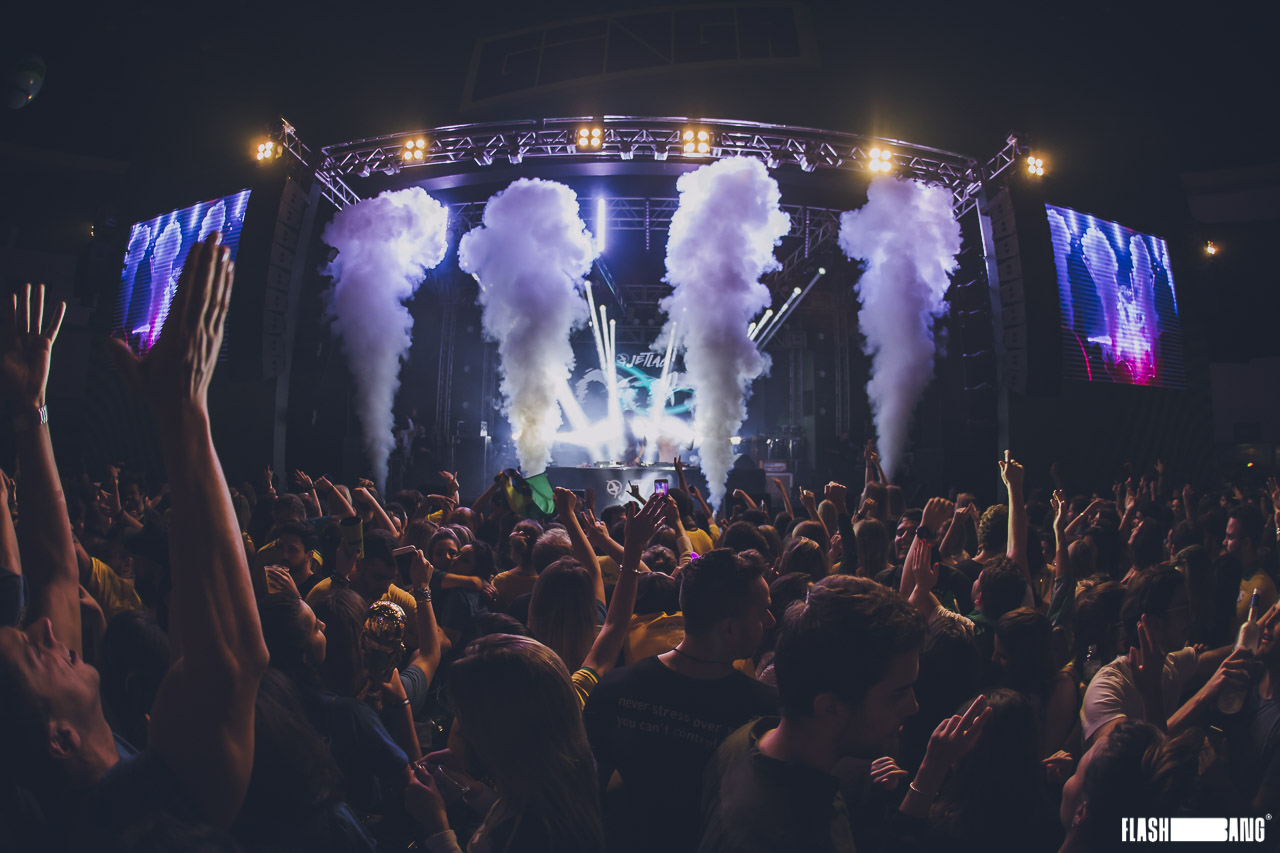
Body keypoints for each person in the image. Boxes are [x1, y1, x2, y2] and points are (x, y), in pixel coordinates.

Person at [0, 241, 270, 842]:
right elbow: (235, 659)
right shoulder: (137, 822)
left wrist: (30, 409)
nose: (43, 628)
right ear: (60, 739)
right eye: (32, 651)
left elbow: (56, 574)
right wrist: (184, 412)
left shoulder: (64, 786)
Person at [696, 576, 930, 853]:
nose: (913, 706)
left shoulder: (742, 741)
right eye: (897, 694)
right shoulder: (792, 838)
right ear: (830, 707)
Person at [583, 548, 778, 853]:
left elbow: (587, 792)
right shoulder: (762, 714)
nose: (771, 621)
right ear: (729, 628)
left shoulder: (615, 690)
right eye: (762, 612)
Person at [404, 635, 604, 853]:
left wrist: (438, 829)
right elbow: (517, 813)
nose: (466, 733)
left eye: (467, 719)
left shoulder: (534, 833)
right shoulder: (565, 779)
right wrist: (476, 790)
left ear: (500, 731)